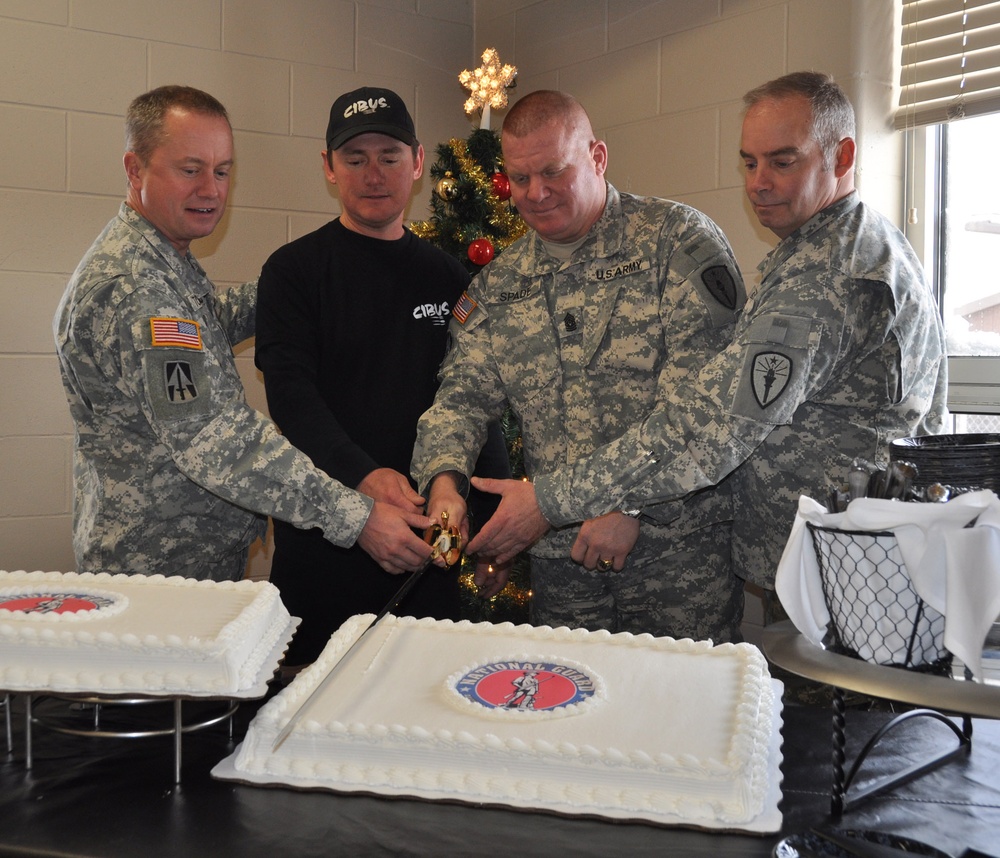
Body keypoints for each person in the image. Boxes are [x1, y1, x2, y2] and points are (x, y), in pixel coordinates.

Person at [434, 72, 947, 608]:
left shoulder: (826, 275)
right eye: (749, 162)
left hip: (848, 573)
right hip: (835, 564)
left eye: (782, 161)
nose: (758, 182)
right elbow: (463, 394)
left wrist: (550, 501)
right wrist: (447, 479)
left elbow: (712, 422)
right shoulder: (829, 249)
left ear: (841, 158)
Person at [53, 85, 436, 584]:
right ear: (135, 169)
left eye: (222, 171)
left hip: (191, 558)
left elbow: (209, 322)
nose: (211, 190)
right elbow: (215, 438)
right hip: (160, 574)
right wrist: (356, 516)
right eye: (190, 170)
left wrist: (318, 271)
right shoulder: (136, 289)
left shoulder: (165, 260)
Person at [412, 90, 747, 642]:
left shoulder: (676, 243)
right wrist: (444, 483)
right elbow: (461, 397)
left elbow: (704, 410)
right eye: (519, 179)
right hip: (563, 570)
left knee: (678, 718)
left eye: (553, 172)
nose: (535, 194)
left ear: (597, 157)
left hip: (675, 561)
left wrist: (629, 506)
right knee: (567, 715)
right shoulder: (501, 283)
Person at [254, 86, 510, 666]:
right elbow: (292, 401)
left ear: (417, 163)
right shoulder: (294, 271)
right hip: (325, 544)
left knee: (424, 716)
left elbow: (475, 402)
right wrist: (365, 478)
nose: (374, 174)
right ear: (328, 167)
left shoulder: (451, 279)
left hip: (428, 547)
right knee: (310, 720)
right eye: (355, 158)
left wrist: (490, 533)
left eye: (390, 157)